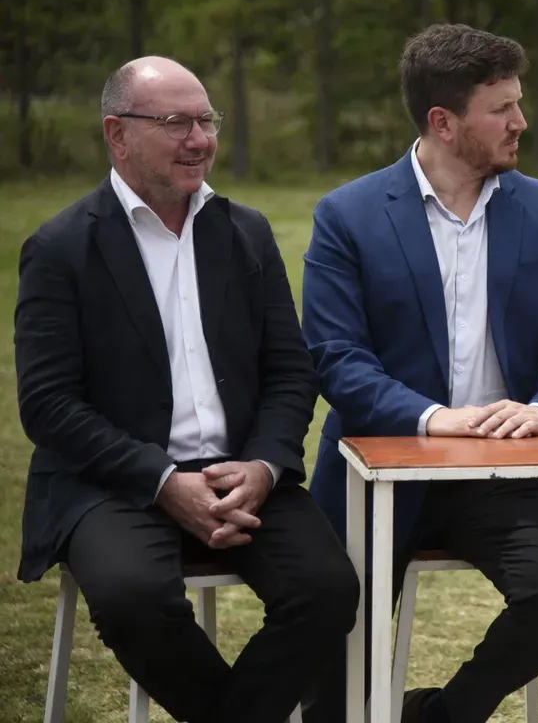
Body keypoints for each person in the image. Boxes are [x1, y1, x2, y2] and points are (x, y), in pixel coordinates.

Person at [13, 56, 359, 723]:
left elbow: (292, 369)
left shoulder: (245, 233)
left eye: (207, 121)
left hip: (243, 471)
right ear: (117, 134)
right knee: (134, 598)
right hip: (115, 480)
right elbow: (48, 405)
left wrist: (264, 464)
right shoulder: (61, 248)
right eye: (176, 123)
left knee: (328, 589)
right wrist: (163, 480)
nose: (199, 139)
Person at [301, 23, 538, 723]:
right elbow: (336, 358)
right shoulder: (347, 215)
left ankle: (436, 716)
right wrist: (430, 418)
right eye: (501, 108)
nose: (520, 121)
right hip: (375, 466)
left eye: (518, 103)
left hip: (503, 468)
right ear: (443, 122)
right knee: (336, 668)